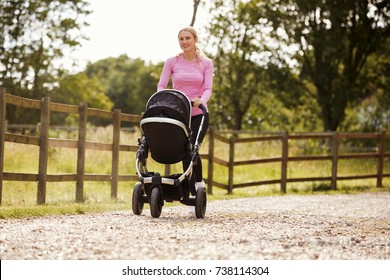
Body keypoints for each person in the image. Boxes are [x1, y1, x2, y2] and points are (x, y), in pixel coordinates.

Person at [157, 26, 214, 194]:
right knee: (183, 150)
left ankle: (198, 184)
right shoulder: (172, 62)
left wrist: (201, 101)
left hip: (198, 113)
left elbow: (208, 89)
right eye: (181, 39)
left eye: (188, 38)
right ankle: (190, 190)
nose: (184, 42)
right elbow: (161, 85)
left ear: (195, 40)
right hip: (179, 113)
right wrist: (164, 98)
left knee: (192, 148)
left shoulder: (206, 63)